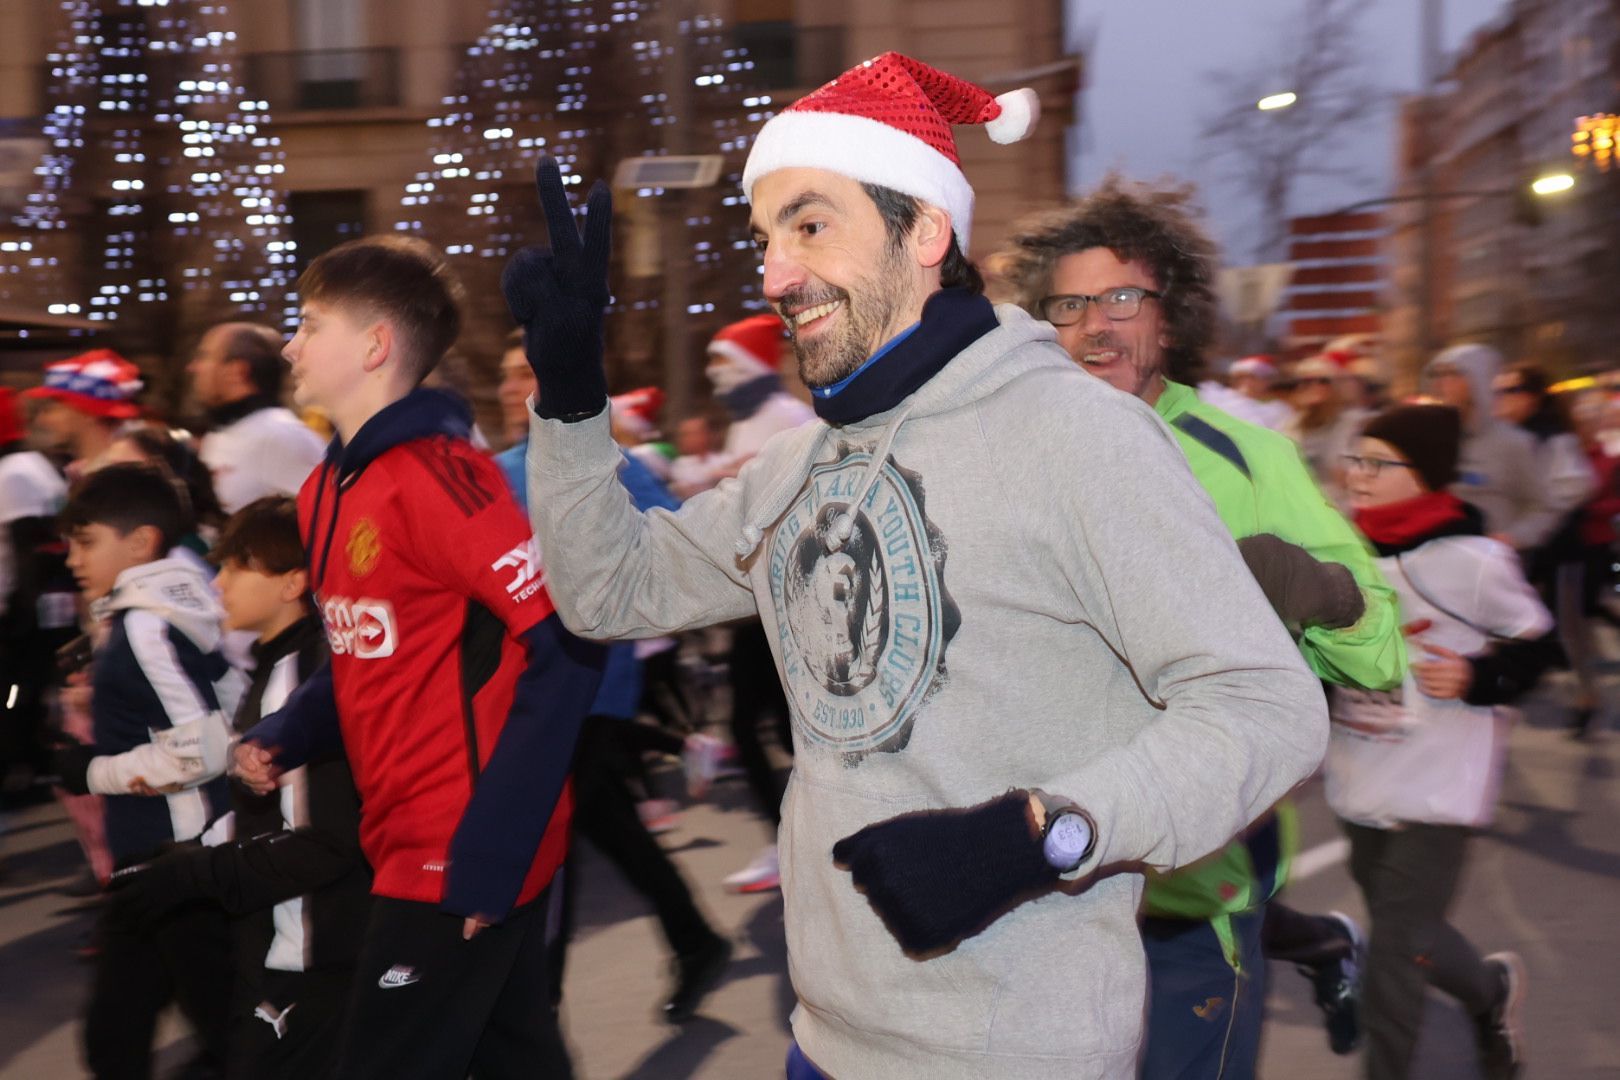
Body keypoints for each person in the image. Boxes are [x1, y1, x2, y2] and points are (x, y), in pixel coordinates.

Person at [508, 53, 1327, 1078]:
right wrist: (574, 401)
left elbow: (1265, 707)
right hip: (824, 1039)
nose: (774, 273)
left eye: (810, 225)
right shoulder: (800, 465)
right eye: (764, 239)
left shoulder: (1080, 437)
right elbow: (606, 590)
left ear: (926, 230)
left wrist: (1042, 837)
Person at [995, 177, 1405, 1073]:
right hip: (1036, 880)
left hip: (1194, 889)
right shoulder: (1000, 455)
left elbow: (1380, 652)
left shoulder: (1245, 456)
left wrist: (1319, 590)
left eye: (1121, 297)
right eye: (1068, 303)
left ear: (1168, 318)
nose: (1095, 323)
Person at [231, 234, 604, 1080]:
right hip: (396, 836)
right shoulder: (328, 487)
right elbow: (364, 652)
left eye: (310, 323)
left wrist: (494, 851)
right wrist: (287, 733)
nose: (289, 343)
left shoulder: (444, 478)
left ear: (374, 346)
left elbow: (567, 646)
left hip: (459, 849)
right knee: (516, 1056)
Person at [494, 337, 732, 1023]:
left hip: (593, 685)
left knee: (553, 846)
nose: (513, 388)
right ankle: (696, 941)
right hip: (531, 691)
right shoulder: (498, 470)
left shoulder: (607, 464)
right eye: (509, 377)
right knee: (606, 826)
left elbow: (676, 536)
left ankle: (540, 1013)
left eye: (526, 374)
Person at [1330, 403, 1561, 1080]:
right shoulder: (1342, 548)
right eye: (1355, 459)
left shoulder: (1475, 562)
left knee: (1394, 957)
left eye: (1379, 463)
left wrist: (1478, 675)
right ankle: (1491, 992)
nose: (1359, 475)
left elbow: (1539, 645)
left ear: (1425, 475)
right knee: (1414, 935)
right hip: (1361, 774)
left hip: (1438, 786)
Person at [110, 495, 371, 1079]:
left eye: (237, 565)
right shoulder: (283, 665)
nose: (218, 581)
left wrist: (192, 873)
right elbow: (261, 811)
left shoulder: (300, 679)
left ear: (293, 582)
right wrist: (181, 857)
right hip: (292, 950)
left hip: (313, 956)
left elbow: (322, 841)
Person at [50, 463, 243, 1078]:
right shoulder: (158, 611)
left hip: (176, 857)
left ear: (141, 542)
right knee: (120, 1033)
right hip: (160, 861)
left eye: (87, 541)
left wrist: (93, 771)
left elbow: (203, 749)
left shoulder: (147, 625)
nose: (73, 558)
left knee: (226, 1036)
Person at [700, 312, 812, 893]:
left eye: (722, 363)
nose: (714, 376)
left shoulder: (787, 417)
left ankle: (804, 843)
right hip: (754, 610)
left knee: (781, 731)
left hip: (786, 610)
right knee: (761, 729)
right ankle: (794, 842)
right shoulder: (745, 422)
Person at [1490, 363, 1599, 729]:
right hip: (1518, 549)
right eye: (1498, 391)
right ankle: (1513, 684)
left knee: (1570, 627)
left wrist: (1534, 520)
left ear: (1533, 396)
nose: (1502, 399)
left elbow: (1576, 484)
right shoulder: (1505, 437)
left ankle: (1587, 695)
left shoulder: (1553, 437)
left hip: (1559, 548)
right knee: (1515, 621)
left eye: (1511, 390)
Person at [1424, 343, 1583, 551]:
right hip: (1437, 562)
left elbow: (1544, 507)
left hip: (1491, 568)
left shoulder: (1513, 442)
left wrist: (1513, 538)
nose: (1441, 383)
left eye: (1453, 374)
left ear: (1478, 379)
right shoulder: (1430, 437)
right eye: (1437, 374)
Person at [0, 388, 73, 792]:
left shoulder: (15, 471)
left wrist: (21, 608)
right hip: (40, 600)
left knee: (16, 688)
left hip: (22, 603)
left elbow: (31, 545)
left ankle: (20, 760)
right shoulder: (28, 464)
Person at [188, 321, 325, 513]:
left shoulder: (283, 437)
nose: (194, 367)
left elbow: (321, 521)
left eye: (204, 356)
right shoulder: (227, 430)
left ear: (237, 371)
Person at [24, 349, 144, 474]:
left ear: (89, 413)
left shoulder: (118, 479)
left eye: (53, 409)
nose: (42, 420)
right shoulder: (88, 473)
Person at [1284, 355, 1363, 507]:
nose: (1315, 386)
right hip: (1300, 505)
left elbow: (1347, 474)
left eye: (1323, 381)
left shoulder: (1351, 423)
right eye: (1306, 381)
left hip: (1339, 507)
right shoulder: (1291, 424)